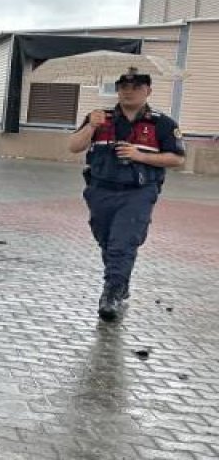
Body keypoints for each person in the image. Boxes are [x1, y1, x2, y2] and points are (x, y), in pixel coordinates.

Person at [67, 69, 186, 321]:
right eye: (123, 87)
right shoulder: (100, 117)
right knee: (108, 242)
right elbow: (74, 146)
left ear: (148, 91)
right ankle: (120, 283)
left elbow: (177, 159)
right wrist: (91, 126)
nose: (128, 91)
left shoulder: (161, 123)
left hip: (138, 192)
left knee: (123, 242)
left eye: (135, 87)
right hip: (100, 191)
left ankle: (111, 294)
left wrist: (139, 155)